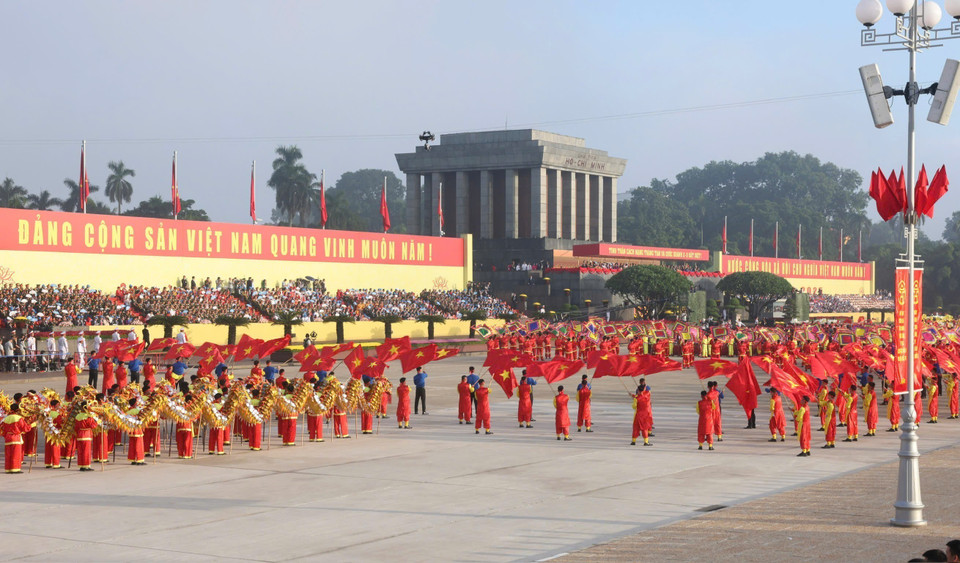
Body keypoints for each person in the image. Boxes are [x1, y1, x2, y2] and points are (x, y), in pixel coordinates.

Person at [1, 403, 32, 473]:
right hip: (15, 437)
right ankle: (15, 468)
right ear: (17, 410)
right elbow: (25, 428)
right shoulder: (18, 418)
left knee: (8, 454)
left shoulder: (6, 418)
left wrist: (6, 435)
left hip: (8, 437)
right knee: (16, 454)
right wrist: (31, 425)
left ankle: (8, 468)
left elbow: (3, 429)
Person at [73, 402, 100, 471]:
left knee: (80, 451)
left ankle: (81, 465)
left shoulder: (78, 416)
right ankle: (86, 465)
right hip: (86, 434)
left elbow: (76, 427)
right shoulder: (88, 416)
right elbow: (93, 426)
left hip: (79, 434)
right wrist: (98, 422)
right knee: (86, 451)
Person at [631, 380, 652, 446]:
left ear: (638, 391)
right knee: (645, 428)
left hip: (638, 415)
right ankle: (646, 442)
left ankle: (633, 441)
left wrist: (634, 396)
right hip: (645, 415)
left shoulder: (636, 398)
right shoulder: (648, 395)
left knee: (636, 428)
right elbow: (647, 391)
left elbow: (634, 407)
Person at [126, 398, 145, 465]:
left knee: (132, 445)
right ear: (134, 404)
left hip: (131, 430)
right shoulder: (136, 411)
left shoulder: (128, 410)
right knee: (139, 445)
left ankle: (132, 459)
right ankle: (139, 459)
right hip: (137, 429)